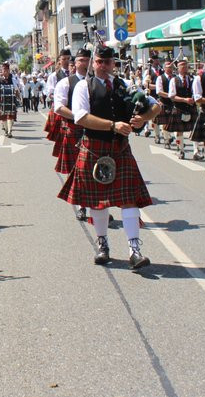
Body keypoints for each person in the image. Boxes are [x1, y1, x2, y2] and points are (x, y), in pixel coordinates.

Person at [57, 46, 160, 269]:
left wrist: (143, 119)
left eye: (108, 62)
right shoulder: (84, 86)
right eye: (99, 62)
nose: (103, 66)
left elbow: (155, 106)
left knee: (128, 199)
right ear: (93, 63)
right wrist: (113, 125)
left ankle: (134, 249)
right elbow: (81, 118)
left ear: (114, 63)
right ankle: (103, 244)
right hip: (94, 148)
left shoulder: (124, 85)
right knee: (98, 201)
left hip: (119, 149)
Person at [51, 48, 90, 220]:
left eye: (88, 59)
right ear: (75, 64)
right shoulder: (65, 83)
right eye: (81, 60)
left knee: (95, 170)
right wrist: (80, 117)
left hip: (95, 131)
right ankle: (82, 205)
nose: (85, 63)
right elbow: (59, 107)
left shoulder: (98, 81)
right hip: (75, 129)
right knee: (79, 170)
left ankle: (99, 207)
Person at [166, 58, 197, 160]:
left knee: (195, 129)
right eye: (182, 65)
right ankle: (181, 150)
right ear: (178, 68)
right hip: (179, 108)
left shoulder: (193, 79)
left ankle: (196, 151)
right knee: (179, 131)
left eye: (185, 65)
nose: (184, 67)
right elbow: (172, 96)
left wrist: (194, 99)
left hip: (191, 107)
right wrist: (184, 100)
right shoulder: (173, 80)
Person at [0, 62, 20, 137]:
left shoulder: (13, 78)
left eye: (6, 70)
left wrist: (18, 97)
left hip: (11, 99)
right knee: (3, 116)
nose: (4, 71)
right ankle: (6, 130)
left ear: (8, 70)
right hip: (1, 99)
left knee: (10, 116)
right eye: (3, 70)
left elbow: (16, 89)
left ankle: (9, 131)